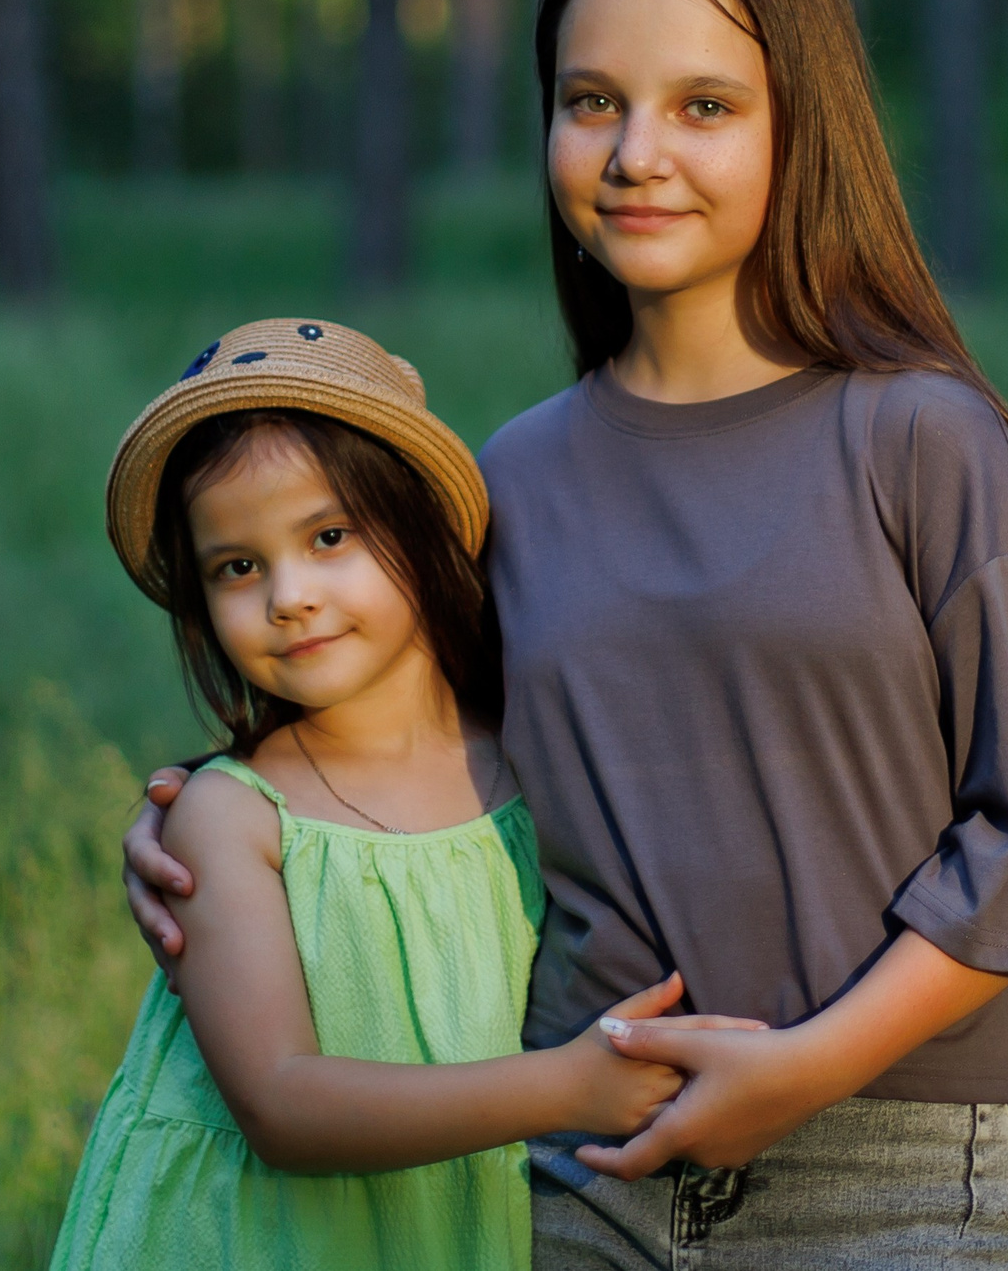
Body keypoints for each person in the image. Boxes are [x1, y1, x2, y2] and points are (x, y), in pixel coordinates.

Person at [125, 0, 1008, 1267]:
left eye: (704, 105)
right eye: (592, 100)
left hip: (882, 1154)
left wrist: (804, 1063)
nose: (636, 152)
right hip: (575, 1158)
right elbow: (413, 748)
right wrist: (207, 819)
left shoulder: (924, 438)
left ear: (802, 121)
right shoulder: (514, 481)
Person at [53, 318, 762, 1269]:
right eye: (238, 566)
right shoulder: (233, 818)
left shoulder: (528, 754)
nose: (289, 595)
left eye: (330, 535)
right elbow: (280, 1105)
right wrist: (566, 1091)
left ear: (424, 528)